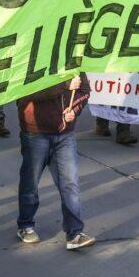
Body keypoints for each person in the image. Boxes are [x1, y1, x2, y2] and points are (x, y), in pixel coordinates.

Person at [15, 74, 96, 250]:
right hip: (35, 133)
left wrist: (74, 110)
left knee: (70, 183)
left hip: (65, 135)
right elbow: (24, 94)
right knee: (31, 182)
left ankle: (74, 233)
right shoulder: (33, 59)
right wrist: (64, 85)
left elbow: (84, 90)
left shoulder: (74, 59)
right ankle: (26, 225)